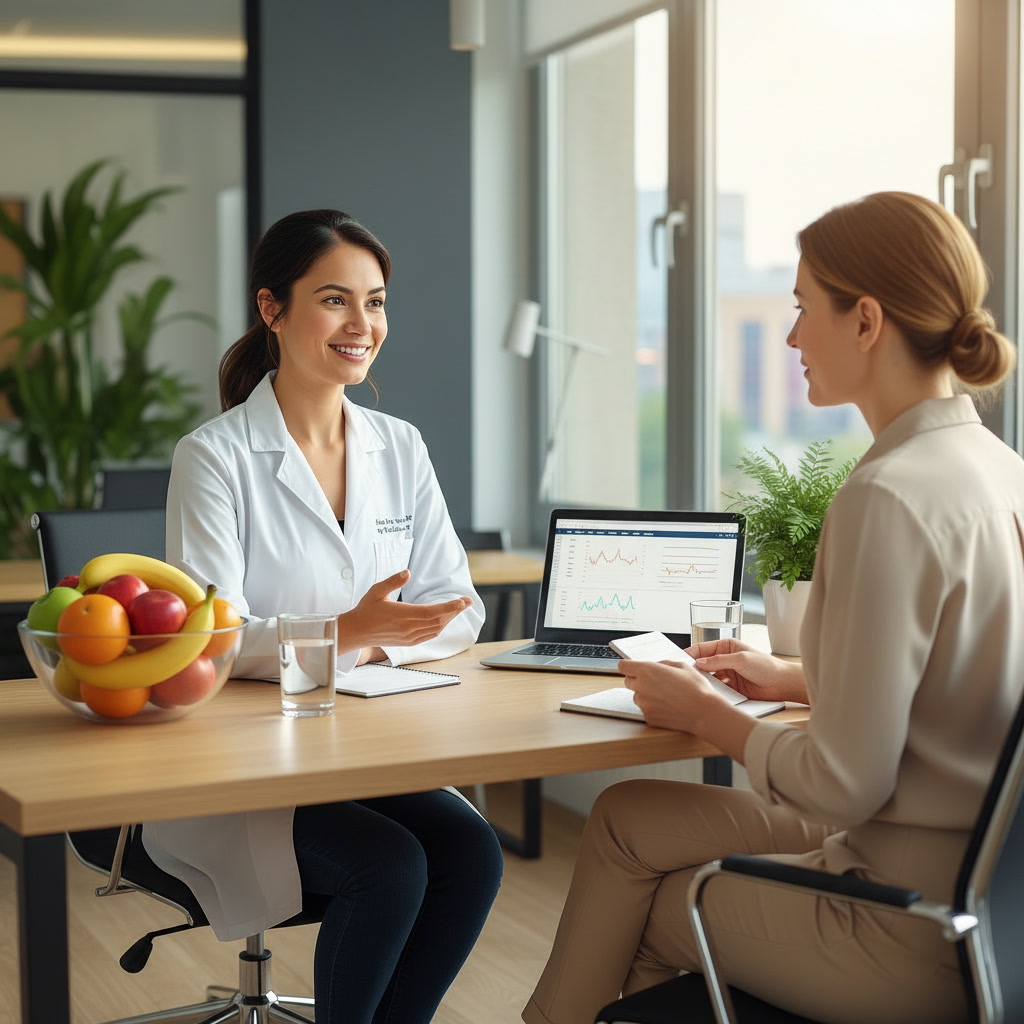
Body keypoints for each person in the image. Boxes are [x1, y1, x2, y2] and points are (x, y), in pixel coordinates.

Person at [523, 191, 1024, 1024]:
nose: (791, 337)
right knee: (628, 817)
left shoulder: (889, 497)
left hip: (898, 917)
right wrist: (794, 680)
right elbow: (964, 691)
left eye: (801, 308)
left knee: (654, 909)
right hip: (987, 900)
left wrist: (703, 712)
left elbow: (842, 785)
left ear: (866, 321)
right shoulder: (998, 468)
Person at [144, 209, 503, 1024]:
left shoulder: (399, 446)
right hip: (243, 765)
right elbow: (212, 639)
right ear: (272, 308)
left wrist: (361, 646)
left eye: (376, 302)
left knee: (472, 852)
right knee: (392, 867)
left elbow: (459, 611)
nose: (362, 325)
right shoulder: (215, 457)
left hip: (363, 744)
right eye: (335, 300)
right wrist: (358, 632)